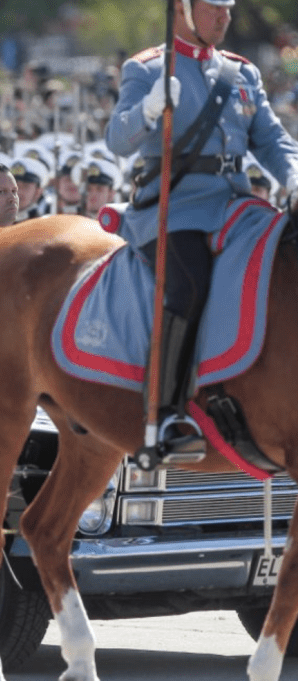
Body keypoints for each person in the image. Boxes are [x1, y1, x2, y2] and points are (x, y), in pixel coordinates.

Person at [105, 0, 298, 458]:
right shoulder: (147, 69)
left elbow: (271, 139)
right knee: (187, 282)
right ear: (183, 10)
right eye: (214, 7)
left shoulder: (242, 73)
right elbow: (117, 139)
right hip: (176, 206)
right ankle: (166, 412)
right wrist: (148, 110)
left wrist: (293, 175)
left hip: (236, 205)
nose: (225, 16)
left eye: (228, 7)